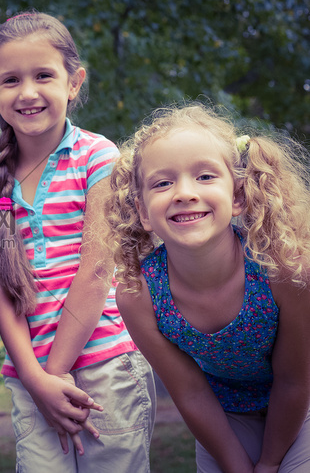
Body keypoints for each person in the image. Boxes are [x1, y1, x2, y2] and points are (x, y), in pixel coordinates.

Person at [0, 11, 156, 472]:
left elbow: (96, 272)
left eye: (44, 76)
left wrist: (53, 375)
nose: (28, 92)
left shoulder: (99, 157)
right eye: (11, 80)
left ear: (74, 83)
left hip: (106, 365)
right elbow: (3, 293)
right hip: (30, 379)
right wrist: (35, 381)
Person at [107, 102, 310, 472]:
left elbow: (294, 381)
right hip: (225, 412)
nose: (184, 192)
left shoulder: (283, 269)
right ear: (142, 211)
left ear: (237, 195)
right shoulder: (138, 294)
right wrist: (236, 465)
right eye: (163, 183)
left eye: (204, 177)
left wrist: (267, 464)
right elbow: (191, 393)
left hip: (302, 401)